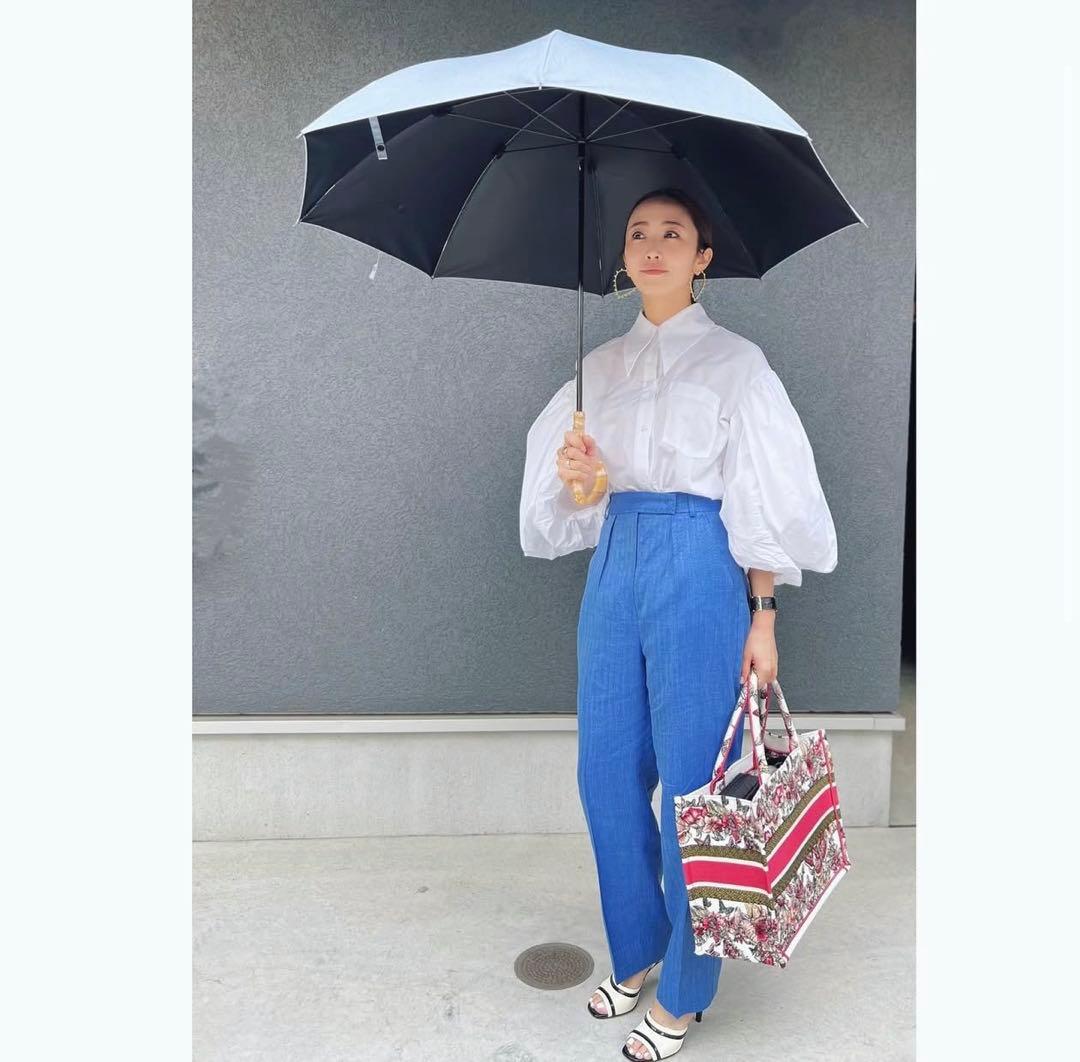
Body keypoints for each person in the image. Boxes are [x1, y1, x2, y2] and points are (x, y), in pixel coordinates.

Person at [518, 187, 838, 1060]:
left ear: (703, 257)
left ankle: (688, 991)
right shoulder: (599, 369)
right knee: (605, 772)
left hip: (700, 564)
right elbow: (582, 503)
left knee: (696, 785)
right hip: (616, 565)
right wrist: (584, 477)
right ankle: (638, 951)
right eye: (638, 233)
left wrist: (762, 618)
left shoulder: (738, 365)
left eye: (673, 233)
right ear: (623, 258)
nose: (652, 246)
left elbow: (760, 496)